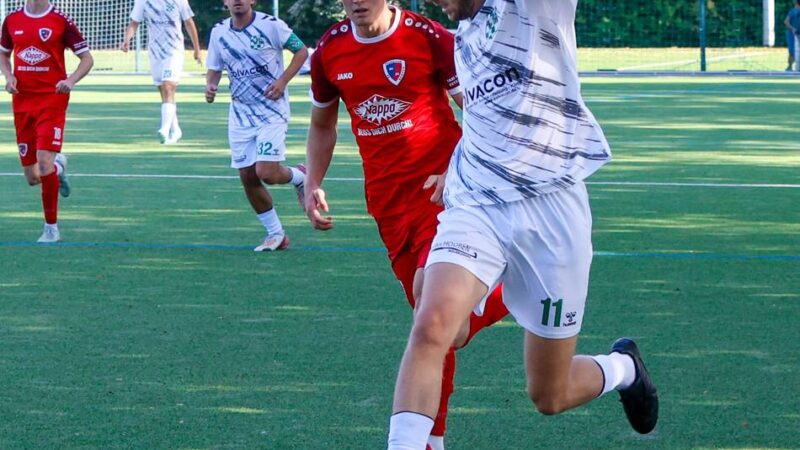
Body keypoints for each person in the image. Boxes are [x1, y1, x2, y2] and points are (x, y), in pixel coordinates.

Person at [385, 0, 659, 447]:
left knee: (550, 394)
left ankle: (623, 368)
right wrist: (456, 167)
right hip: (477, 204)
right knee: (432, 323)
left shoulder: (534, 9)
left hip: (553, 212)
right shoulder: (464, 35)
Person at [303, 1, 508, 448]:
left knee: (428, 309)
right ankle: (518, 292)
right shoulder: (329, 51)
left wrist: (457, 168)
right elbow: (322, 125)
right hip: (388, 206)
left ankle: (429, 439)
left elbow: (479, 110)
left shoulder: (429, 38)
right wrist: (312, 181)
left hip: (445, 195)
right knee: (447, 330)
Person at [205, 0, 309, 252]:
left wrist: (282, 81)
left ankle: (300, 177)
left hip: (271, 110)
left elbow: (301, 51)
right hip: (240, 114)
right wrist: (211, 85)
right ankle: (276, 234)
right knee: (248, 176)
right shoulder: (219, 32)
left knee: (267, 172)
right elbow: (214, 67)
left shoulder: (271, 25)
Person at [0, 0, 93, 243]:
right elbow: (3, 54)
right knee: (33, 177)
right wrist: (8, 76)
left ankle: (51, 229)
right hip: (22, 102)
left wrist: (70, 81)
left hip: (52, 99)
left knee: (43, 163)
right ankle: (58, 167)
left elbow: (87, 59)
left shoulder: (60, 20)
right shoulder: (12, 20)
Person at [120, 0, 201, 144]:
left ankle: (164, 129)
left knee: (168, 86)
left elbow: (189, 22)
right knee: (163, 91)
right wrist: (127, 40)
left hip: (174, 50)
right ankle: (175, 129)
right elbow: (134, 22)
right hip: (155, 52)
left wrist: (197, 49)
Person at [784, 0, 800, 71]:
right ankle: (789, 67)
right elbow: (786, 22)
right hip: (792, 34)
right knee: (792, 51)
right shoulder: (793, 12)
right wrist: (792, 28)